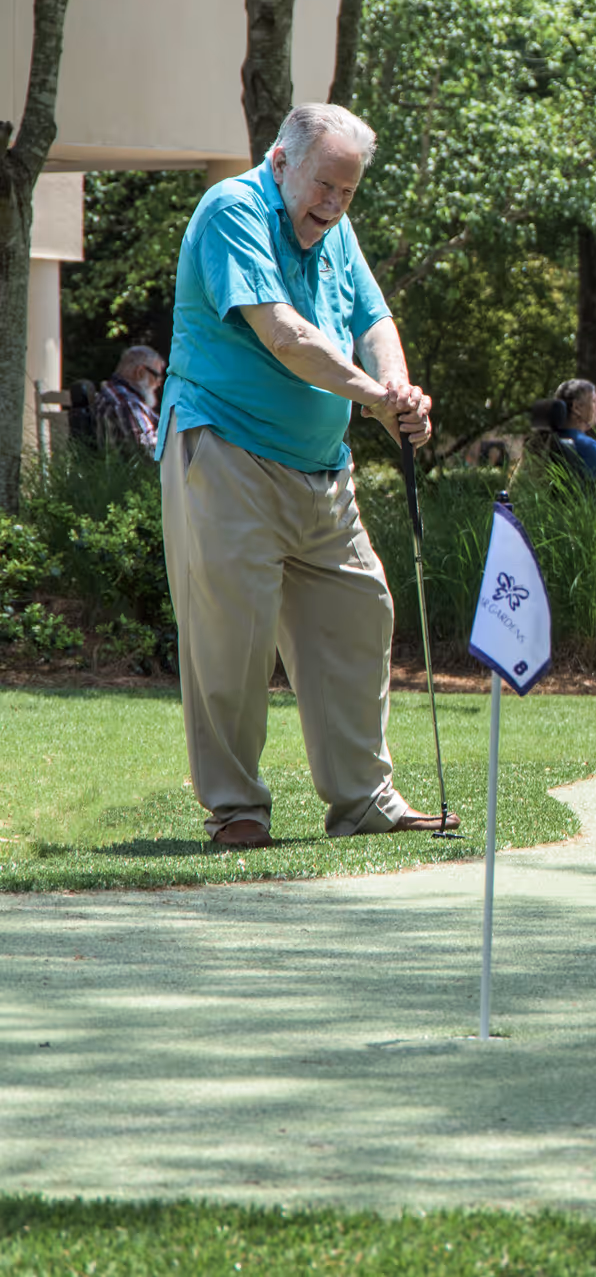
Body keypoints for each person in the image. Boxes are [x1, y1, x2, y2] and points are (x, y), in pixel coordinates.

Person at [158, 102, 456, 850]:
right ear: (283, 163)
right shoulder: (234, 209)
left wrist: (400, 386)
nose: (333, 204)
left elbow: (374, 319)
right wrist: (378, 400)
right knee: (234, 636)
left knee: (361, 612)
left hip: (322, 469)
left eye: (348, 192)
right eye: (325, 185)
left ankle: (362, 800)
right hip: (227, 451)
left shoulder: (333, 229)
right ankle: (237, 809)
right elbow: (285, 335)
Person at [91, 345, 166, 453]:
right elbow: (150, 454)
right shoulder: (125, 402)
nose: (159, 383)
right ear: (140, 372)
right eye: (157, 376)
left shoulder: (123, 396)